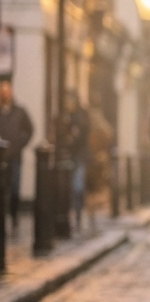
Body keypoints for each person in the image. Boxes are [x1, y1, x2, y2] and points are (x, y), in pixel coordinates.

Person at [0, 79, 34, 234]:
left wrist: (20, 143)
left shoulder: (20, 111)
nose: (5, 94)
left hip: (14, 156)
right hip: (1, 157)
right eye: (2, 91)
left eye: (7, 90)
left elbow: (30, 129)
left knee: (14, 189)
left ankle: (14, 218)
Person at [59, 90, 90, 232]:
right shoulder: (66, 116)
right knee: (69, 187)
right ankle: (69, 217)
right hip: (68, 156)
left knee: (77, 187)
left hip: (79, 156)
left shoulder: (81, 116)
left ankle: (77, 216)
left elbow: (84, 136)